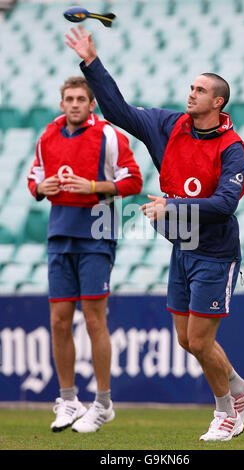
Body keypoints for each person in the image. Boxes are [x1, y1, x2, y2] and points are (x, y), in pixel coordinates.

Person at [64, 25, 244, 442]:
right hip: (182, 246)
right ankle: (243, 389)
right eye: (190, 87)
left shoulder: (232, 148)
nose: (190, 93)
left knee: (199, 338)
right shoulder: (169, 125)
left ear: (218, 101)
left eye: (200, 90)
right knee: (186, 340)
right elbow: (118, 111)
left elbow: (224, 205)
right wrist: (91, 62)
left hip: (216, 251)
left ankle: (227, 411)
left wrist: (171, 206)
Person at [27, 76, 142, 433]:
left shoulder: (109, 135)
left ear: (92, 104)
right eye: (69, 98)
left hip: (97, 232)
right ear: (61, 103)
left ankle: (103, 402)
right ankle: (68, 400)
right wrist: (39, 188)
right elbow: (35, 176)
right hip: (60, 233)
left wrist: (93, 186)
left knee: (94, 320)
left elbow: (133, 181)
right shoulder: (47, 137)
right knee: (59, 320)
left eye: (81, 98)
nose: (75, 104)